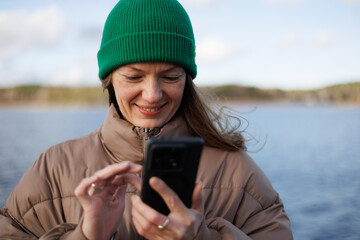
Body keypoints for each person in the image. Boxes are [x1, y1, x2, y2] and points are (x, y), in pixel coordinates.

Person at [0, 0, 293, 239]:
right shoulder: (52, 169)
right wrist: (85, 236)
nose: (152, 95)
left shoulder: (238, 173)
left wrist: (201, 237)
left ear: (187, 79)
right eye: (134, 76)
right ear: (109, 80)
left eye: (170, 76)